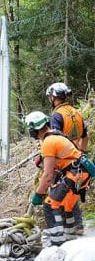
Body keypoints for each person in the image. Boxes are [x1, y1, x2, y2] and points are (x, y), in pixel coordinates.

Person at [25, 110, 91, 245]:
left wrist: (39, 194)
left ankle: (57, 243)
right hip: (81, 173)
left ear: (33, 131)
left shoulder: (48, 142)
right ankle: (70, 238)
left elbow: (48, 175)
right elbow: (59, 161)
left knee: (50, 204)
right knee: (66, 205)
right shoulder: (58, 136)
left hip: (75, 174)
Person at [46, 82, 89, 235]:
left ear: (54, 97)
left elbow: (55, 138)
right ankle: (77, 225)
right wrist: (82, 152)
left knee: (59, 191)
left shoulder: (57, 115)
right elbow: (85, 135)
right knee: (73, 192)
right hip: (78, 156)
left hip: (64, 158)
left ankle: (65, 228)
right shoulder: (76, 112)